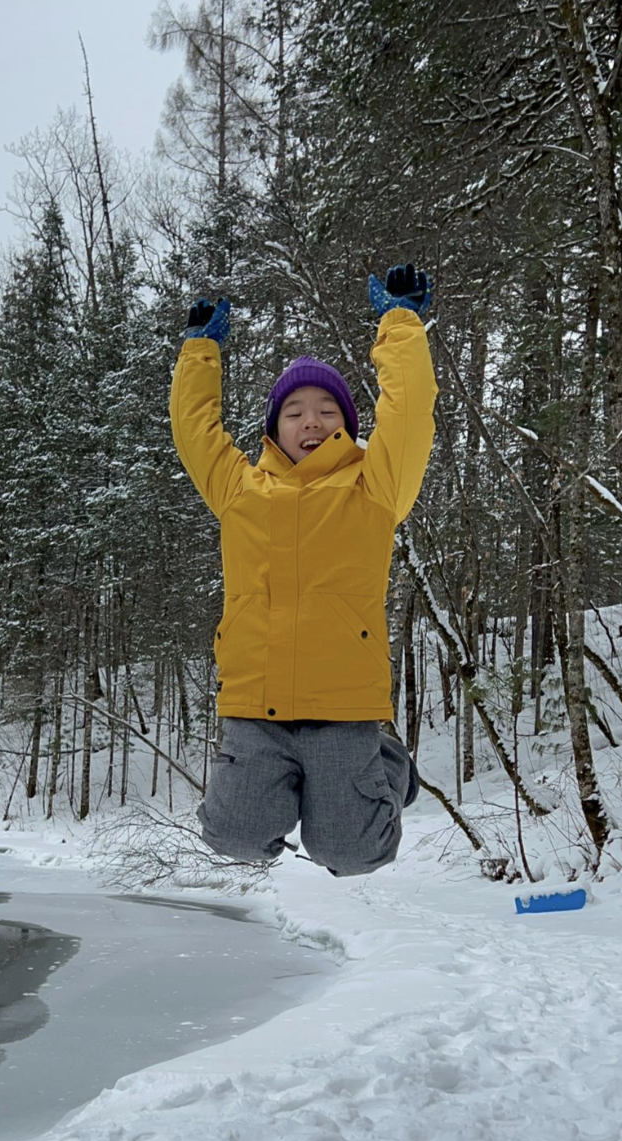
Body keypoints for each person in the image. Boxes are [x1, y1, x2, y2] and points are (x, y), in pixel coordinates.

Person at [169, 265, 438, 876]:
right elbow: (194, 433)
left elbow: (411, 412)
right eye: (294, 412)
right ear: (273, 428)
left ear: (347, 423)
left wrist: (400, 325)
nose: (311, 421)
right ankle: (280, 798)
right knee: (234, 838)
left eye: (326, 410)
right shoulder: (239, 488)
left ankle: (388, 765)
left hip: (342, 708)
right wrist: (198, 352)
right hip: (253, 704)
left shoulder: (374, 487)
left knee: (353, 853)